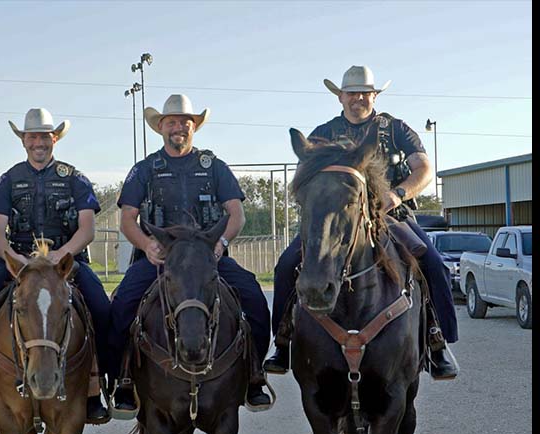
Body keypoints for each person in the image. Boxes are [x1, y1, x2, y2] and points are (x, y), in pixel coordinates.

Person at [264, 65, 459, 379]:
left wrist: (397, 194)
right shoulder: (323, 133)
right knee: (287, 265)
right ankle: (283, 340)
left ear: (374, 95)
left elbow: (423, 169)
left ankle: (438, 341)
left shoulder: (396, 129)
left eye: (364, 93)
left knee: (431, 262)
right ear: (340, 97)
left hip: (390, 215)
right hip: (337, 220)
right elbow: (308, 176)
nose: (357, 98)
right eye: (351, 93)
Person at [109, 94, 274, 414]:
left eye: (185, 122)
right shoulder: (144, 170)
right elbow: (127, 218)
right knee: (122, 306)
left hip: (208, 256)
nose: (178, 128)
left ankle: (254, 375)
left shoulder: (215, 167)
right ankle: (124, 380)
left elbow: (235, 214)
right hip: (160, 257)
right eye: (171, 122)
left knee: (253, 297)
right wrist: (146, 245)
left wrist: (221, 243)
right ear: (160, 127)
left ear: (194, 126)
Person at [0, 108, 112, 425]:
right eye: (33, 136)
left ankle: (101, 386)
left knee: (102, 307)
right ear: (24, 141)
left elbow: (87, 228)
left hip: (65, 262)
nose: (39, 142)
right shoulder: (9, 180)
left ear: (54, 139)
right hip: (20, 262)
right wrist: (15, 258)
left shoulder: (75, 178)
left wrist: (62, 253)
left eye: (44, 136)